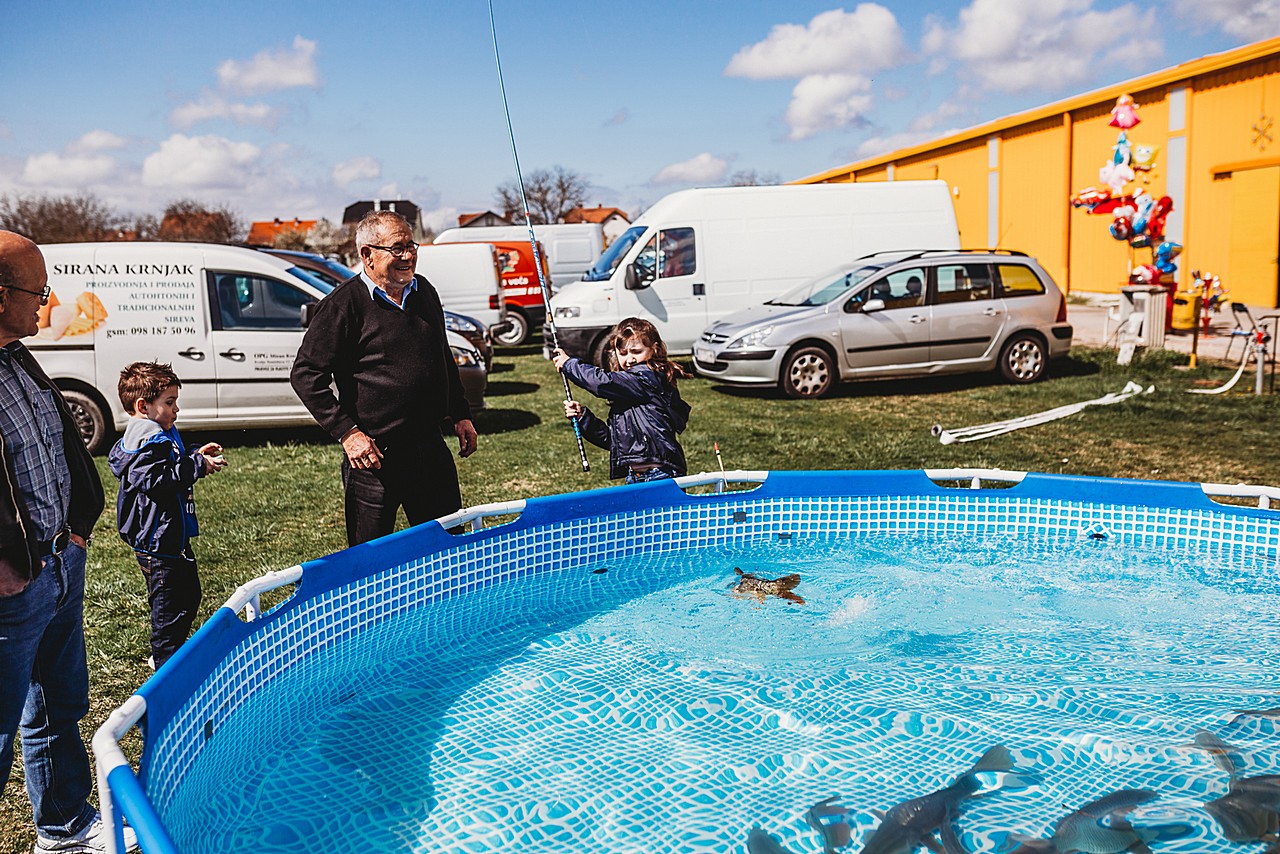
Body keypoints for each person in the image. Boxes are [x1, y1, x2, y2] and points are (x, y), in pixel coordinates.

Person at [0, 231, 137, 852]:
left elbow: (56, 447)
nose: (47, 305)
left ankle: (63, 828)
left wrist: (76, 528)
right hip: (13, 586)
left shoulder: (15, 356)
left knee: (58, 706)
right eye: (38, 290)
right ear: (1, 296)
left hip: (57, 561)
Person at [291, 210, 478, 546]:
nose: (408, 256)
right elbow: (306, 374)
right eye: (397, 248)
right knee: (371, 559)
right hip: (375, 456)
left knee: (449, 546)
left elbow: (441, 356)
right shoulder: (342, 305)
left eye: (411, 246)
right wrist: (348, 433)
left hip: (430, 448)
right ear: (368, 255)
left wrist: (460, 413)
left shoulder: (425, 293)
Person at [108, 361, 227, 670]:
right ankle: (165, 664)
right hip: (157, 542)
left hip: (170, 536)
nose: (176, 410)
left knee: (190, 595)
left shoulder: (158, 431)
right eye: (170, 402)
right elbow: (157, 479)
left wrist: (196, 455)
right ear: (142, 406)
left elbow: (173, 461)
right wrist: (198, 467)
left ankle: (171, 650)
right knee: (167, 608)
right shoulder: (146, 439)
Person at [551, 317, 691, 483]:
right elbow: (613, 441)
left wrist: (569, 365)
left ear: (654, 349)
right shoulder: (627, 395)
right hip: (634, 476)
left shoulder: (647, 378)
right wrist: (583, 418)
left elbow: (602, 382)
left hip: (661, 473)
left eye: (636, 352)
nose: (630, 359)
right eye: (623, 353)